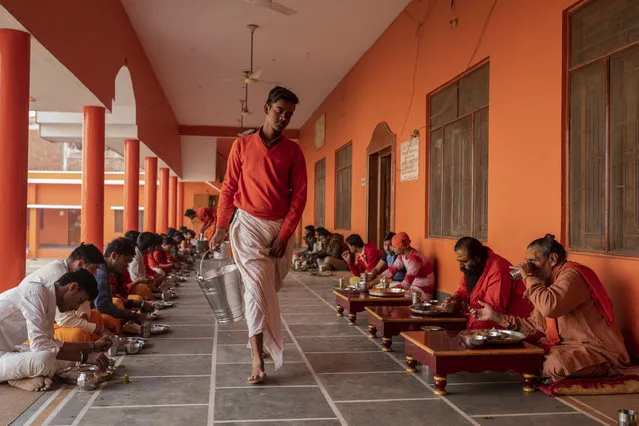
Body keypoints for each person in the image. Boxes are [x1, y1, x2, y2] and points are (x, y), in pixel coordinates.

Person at [212, 86, 307, 385]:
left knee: (266, 289)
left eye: (289, 114)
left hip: (278, 229)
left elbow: (300, 197)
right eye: (280, 111)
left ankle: (260, 345)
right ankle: (257, 356)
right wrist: (220, 227)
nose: (284, 118)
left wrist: (284, 235)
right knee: (255, 290)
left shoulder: (294, 151)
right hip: (248, 226)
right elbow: (228, 189)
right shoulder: (241, 146)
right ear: (266, 108)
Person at [474, 234, 633, 381]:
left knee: (555, 364)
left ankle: (605, 368)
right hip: (567, 347)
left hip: (596, 350)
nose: (528, 267)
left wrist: (529, 277)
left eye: (533, 261)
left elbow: (550, 307)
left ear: (553, 259)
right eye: (527, 263)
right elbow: (536, 324)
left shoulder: (572, 275)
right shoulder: (548, 283)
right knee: (526, 353)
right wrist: (495, 316)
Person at [0, 270, 111, 392]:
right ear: (73, 287)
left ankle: (24, 373)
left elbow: (52, 344)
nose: (76, 308)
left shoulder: (48, 299)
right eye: (79, 301)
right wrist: (85, 357)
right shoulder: (35, 293)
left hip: (8, 352)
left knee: (67, 361)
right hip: (4, 355)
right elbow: (41, 347)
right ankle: (15, 379)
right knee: (44, 359)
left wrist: (93, 346)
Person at [18, 243, 107, 343]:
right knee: (77, 335)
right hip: (32, 329)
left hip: (54, 322)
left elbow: (83, 305)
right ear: (80, 264)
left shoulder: (73, 276)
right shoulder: (59, 274)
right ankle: (90, 343)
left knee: (96, 316)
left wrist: (84, 318)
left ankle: (90, 341)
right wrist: (98, 329)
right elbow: (65, 321)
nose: (95, 273)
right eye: (93, 268)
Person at [442, 237, 533, 329]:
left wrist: (462, 307)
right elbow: (463, 289)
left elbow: (493, 311)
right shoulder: (472, 267)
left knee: (479, 326)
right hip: (480, 314)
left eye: (464, 261)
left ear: (477, 258)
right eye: (459, 262)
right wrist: (455, 299)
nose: (461, 266)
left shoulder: (499, 270)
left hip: (512, 323)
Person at [95, 238, 153, 332]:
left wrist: (138, 305)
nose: (127, 265)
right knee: (109, 320)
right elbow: (102, 307)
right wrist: (132, 315)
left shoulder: (108, 271)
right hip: (85, 317)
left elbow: (108, 301)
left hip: (102, 309)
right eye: (125, 260)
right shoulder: (101, 273)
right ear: (114, 255)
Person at [375, 232, 435, 300]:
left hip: (423, 292)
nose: (392, 249)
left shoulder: (414, 259)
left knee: (388, 297)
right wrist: (374, 281)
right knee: (384, 293)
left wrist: (388, 290)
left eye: (394, 247)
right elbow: (391, 270)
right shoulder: (402, 256)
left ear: (402, 247)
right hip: (413, 288)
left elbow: (405, 285)